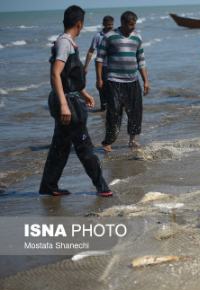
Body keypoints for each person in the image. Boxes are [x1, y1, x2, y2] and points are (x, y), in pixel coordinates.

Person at [39, 5, 112, 197]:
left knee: (61, 146)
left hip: (69, 97)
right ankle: (102, 187)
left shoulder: (67, 42)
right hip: (67, 103)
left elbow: (68, 76)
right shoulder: (65, 43)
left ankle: (48, 185)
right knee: (84, 146)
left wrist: (83, 92)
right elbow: (55, 74)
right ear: (79, 24)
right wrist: (64, 105)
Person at [96, 11, 150, 152]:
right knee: (114, 112)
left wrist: (145, 81)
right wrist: (99, 78)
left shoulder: (137, 38)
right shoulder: (109, 37)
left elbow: (141, 61)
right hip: (114, 81)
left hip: (133, 81)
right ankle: (108, 142)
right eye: (130, 24)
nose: (133, 27)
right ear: (123, 22)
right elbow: (99, 59)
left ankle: (132, 140)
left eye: (134, 24)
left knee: (135, 112)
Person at [84, 15, 114, 112]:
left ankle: (113, 108)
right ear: (103, 24)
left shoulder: (116, 35)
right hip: (102, 67)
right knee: (101, 87)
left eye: (111, 25)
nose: (110, 27)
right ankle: (103, 109)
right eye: (108, 25)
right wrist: (86, 66)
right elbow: (91, 51)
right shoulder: (98, 36)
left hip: (114, 66)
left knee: (114, 89)